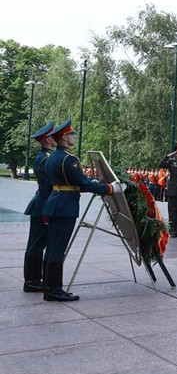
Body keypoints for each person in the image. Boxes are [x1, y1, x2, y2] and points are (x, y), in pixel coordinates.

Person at [41, 120, 122, 301]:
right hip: (65, 206)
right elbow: (83, 182)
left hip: (54, 203)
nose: (73, 137)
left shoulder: (52, 157)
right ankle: (54, 290)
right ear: (64, 137)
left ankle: (48, 287)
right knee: (58, 248)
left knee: (52, 246)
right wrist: (110, 188)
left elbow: (71, 183)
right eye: (71, 134)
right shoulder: (69, 159)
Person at [22, 121, 56, 292]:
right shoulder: (44, 159)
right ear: (48, 140)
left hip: (41, 204)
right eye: (53, 135)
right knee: (36, 243)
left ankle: (34, 279)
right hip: (42, 205)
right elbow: (48, 186)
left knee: (38, 242)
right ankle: (32, 281)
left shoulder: (45, 157)